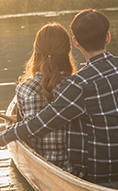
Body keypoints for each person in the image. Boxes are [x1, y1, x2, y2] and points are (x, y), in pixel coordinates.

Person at [0, 9, 118, 183]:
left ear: (76, 43)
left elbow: (40, 124)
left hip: (105, 174)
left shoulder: (78, 84)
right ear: (107, 37)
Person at [15, 22, 78, 173]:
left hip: (39, 169)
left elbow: (20, 130)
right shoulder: (77, 87)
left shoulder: (23, 89)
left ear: (36, 52)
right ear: (68, 51)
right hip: (73, 170)